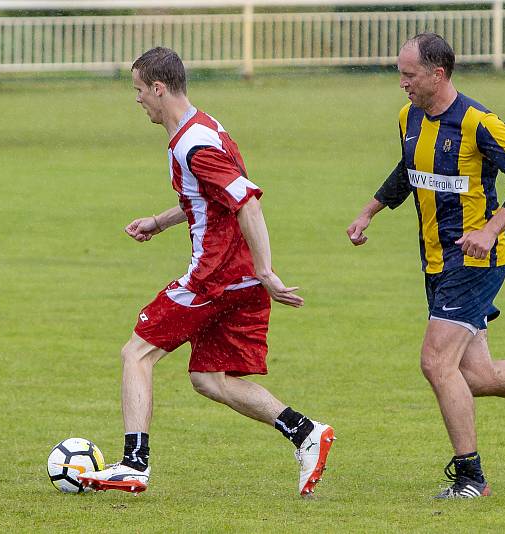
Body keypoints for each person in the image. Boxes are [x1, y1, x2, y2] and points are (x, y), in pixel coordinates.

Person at [346, 33, 505, 499]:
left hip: (475, 263)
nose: (401, 83)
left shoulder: (479, 123)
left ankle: (470, 478)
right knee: (477, 376)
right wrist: (369, 211)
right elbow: (408, 170)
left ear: (437, 74)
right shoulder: (409, 117)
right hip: (436, 264)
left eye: (409, 74)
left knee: (435, 363)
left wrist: (490, 230)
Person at [78, 47, 334, 497]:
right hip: (237, 280)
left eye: (138, 90)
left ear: (158, 88)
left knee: (135, 354)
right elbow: (204, 199)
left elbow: (247, 202)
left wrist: (267, 270)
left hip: (213, 278)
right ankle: (306, 432)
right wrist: (158, 222)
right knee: (209, 379)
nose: (137, 99)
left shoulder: (195, 145)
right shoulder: (200, 129)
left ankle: (133, 465)